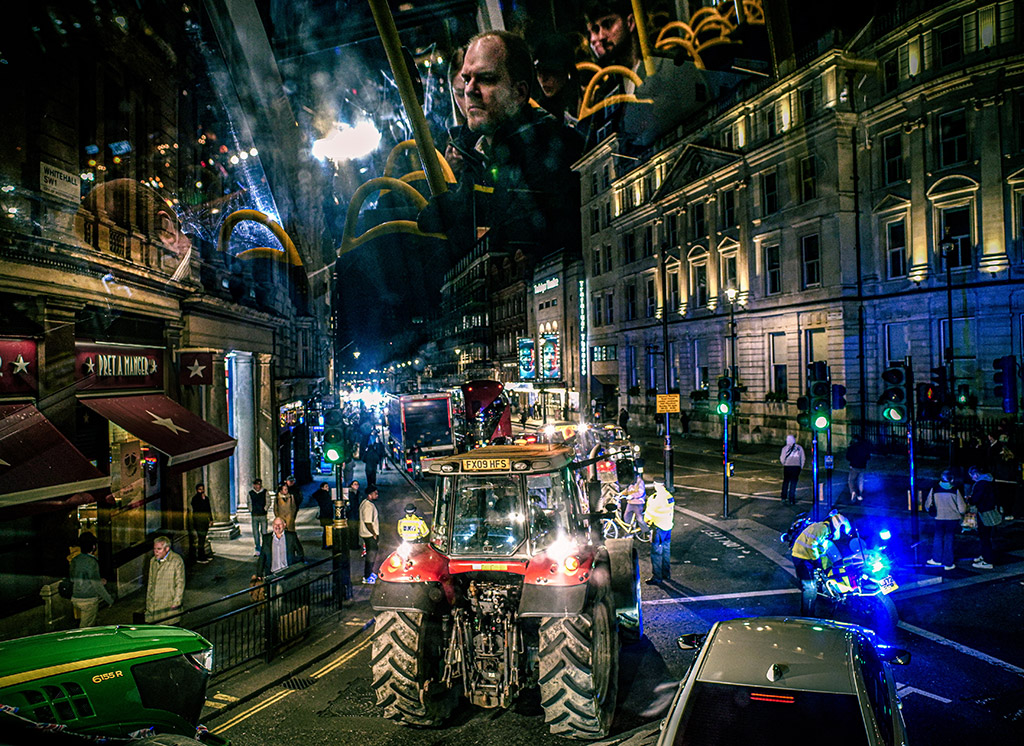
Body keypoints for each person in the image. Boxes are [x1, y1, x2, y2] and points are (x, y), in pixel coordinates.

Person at [417, 30, 583, 259]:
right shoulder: (477, 151)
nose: (469, 90)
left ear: (519, 93)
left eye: (486, 79)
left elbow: (511, 236)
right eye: (467, 79)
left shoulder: (550, 152)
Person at [790, 511, 851, 614]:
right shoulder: (822, 529)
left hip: (805, 556)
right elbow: (811, 545)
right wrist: (816, 559)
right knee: (810, 588)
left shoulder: (823, 528)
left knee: (812, 584)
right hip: (801, 557)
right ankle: (808, 615)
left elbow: (819, 546)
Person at [69, 532, 113, 628]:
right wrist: (109, 599)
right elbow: (96, 585)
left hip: (76, 597)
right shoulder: (92, 562)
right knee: (86, 626)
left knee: (87, 621)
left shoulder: (75, 560)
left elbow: (73, 579)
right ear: (93, 547)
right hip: (88, 599)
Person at [924, 470, 966, 571]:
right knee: (949, 539)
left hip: (939, 518)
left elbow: (927, 505)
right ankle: (948, 563)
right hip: (952, 519)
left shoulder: (935, 489)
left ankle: (937, 559)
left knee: (938, 538)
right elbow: (962, 508)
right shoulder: (955, 490)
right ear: (951, 479)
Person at [146, 536, 185, 624]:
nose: (156, 552)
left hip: (169, 604)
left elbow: (180, 583)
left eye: (159, 549)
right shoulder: (153, 561)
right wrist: (149, 602)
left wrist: (176, 602)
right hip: (155, 605)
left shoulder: (176, 561)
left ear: (167, 549)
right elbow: (151, 583)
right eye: (155, 549)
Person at [643, 481, 674, 586]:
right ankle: (666, 574)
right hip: (668, 527)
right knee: (666, 551)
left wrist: (647, 521)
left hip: (659, 528)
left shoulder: (655, 499)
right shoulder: (669, 496)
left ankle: (657, 577)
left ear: (656, 485)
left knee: (656, 553)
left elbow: (649, 514)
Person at [967, 466, 998, 569]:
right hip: (989, 511)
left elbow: (976, 499)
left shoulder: (981, 484)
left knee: (984, 537)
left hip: (984, 513)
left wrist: (969, 499)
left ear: (976, 474)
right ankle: (984, 556)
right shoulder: (989, 482)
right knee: (986, 536)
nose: (971, 479)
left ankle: (987, 561)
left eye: (972, 476)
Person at [359, 486, 381, 584]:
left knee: (370, 555)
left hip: (365, 534)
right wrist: (374, 534)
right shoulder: (368, 506)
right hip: (369, 535)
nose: (377, 495)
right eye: (375, 493)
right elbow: (368, 522)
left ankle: (368, 574)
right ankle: (367, 576)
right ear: (370, 495)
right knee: (371, 556)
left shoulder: (364, 503)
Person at [779, 434, 806, 505]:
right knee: (793, 483)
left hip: (788, 466)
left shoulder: (785, 448)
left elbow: (782, 458)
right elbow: (802, 458)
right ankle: (791, 499)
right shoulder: (799, 448)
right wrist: (801, 466)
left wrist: (784, 463)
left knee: (786, 482)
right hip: (796, 467)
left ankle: (783, 497)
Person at [190, 483, 212, 563]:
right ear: (197, 490)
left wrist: (211, 519)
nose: (201, 491)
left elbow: (208, 509)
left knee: (203, 538)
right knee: (201, 539)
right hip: (199, 521)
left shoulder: (206, 498)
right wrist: (202, 500)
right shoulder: (195, 499)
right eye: (200, 489)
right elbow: (197, 509)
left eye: (202, 489)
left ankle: (203, 555)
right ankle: (200, 557)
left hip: (205, 521)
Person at [846, 435, 871, 502]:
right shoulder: (864, 448)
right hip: (862, 466)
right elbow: (868, 457)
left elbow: (848, 457)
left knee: (851, 480)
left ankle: (853, 492)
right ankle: (860, 494)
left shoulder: (851, 448)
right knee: (860, 480)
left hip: (854, 466)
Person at [249, 478, 269, 556]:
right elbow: (249, 502)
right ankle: (257, 548)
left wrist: (265, 508)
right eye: (257, 484)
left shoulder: (265, 492)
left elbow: (268, 501)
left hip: (263, 515)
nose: (258, 486)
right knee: (255, 533)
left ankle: (265, 548)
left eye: (259, 484)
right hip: (254, 515)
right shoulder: (251, 493)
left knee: (264, 532)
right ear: (254, 485)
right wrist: (251, 510)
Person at [315, 483, 334, 549]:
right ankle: (327, 544)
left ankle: (327, 543)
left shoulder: (322, 495)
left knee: (327, 529)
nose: (328, 487)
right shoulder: (324, 495)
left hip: (324, 515)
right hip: (326, 515)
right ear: (322, 488)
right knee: (327, 529)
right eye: (326, 486)